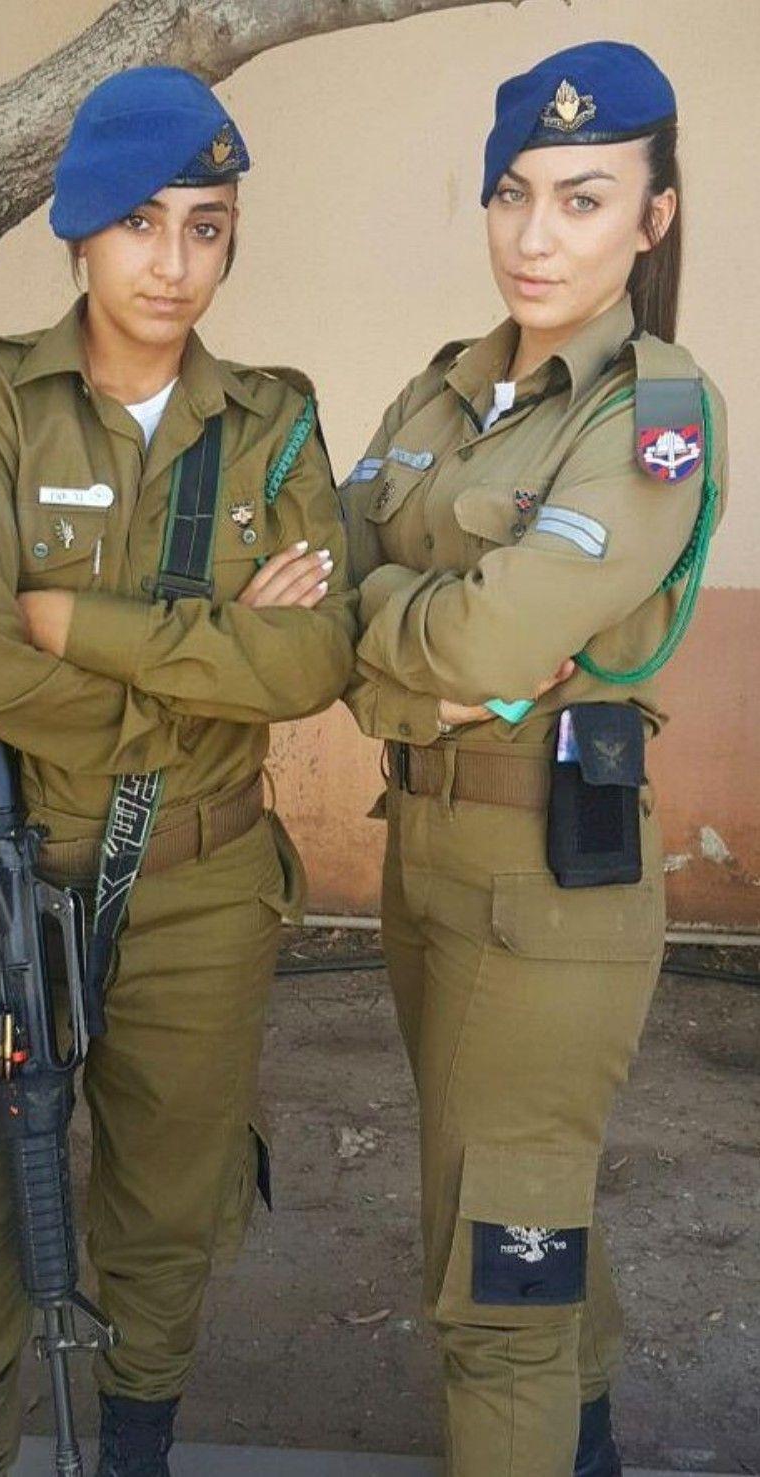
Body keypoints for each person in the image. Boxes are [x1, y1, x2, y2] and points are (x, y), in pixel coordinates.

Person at [0, 67, 355, 1477]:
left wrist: (79, 625)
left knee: (166, 1221)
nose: (173, 261)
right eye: (141, 222)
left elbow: (314, 660)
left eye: (207, 226)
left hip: (200, 894)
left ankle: (135, 1451)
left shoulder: (272, 420)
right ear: (80, 230)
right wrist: (211, 670)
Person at [342, 41, 727, 1477]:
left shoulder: (652, 413)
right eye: (513, 195)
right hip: (423, 849)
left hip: (546, 886)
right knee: (509, 1188)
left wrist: (394, 627)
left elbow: (491, 643)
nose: (535, 235)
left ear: (653, 217)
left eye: (583, 197)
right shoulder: (443, 393)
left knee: (495, 1268)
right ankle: (589, 1440)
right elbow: (320, 585)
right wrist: (413, 657)